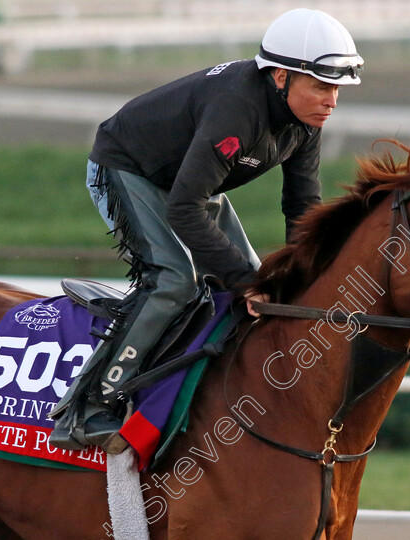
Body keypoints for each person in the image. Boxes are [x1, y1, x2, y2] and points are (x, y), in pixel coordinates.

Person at [48, 8, 364, 452]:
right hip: (129, 170)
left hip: (190, 187)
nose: (332, 100)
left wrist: (300, 275)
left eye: (337, 89)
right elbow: (183, 209)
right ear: (280, 77)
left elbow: (301, 208)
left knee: (268, 289)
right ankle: (90, 407)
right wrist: (245, 281)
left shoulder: (305, 122)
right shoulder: (237, 109)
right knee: (175, 280)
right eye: (322, 86)